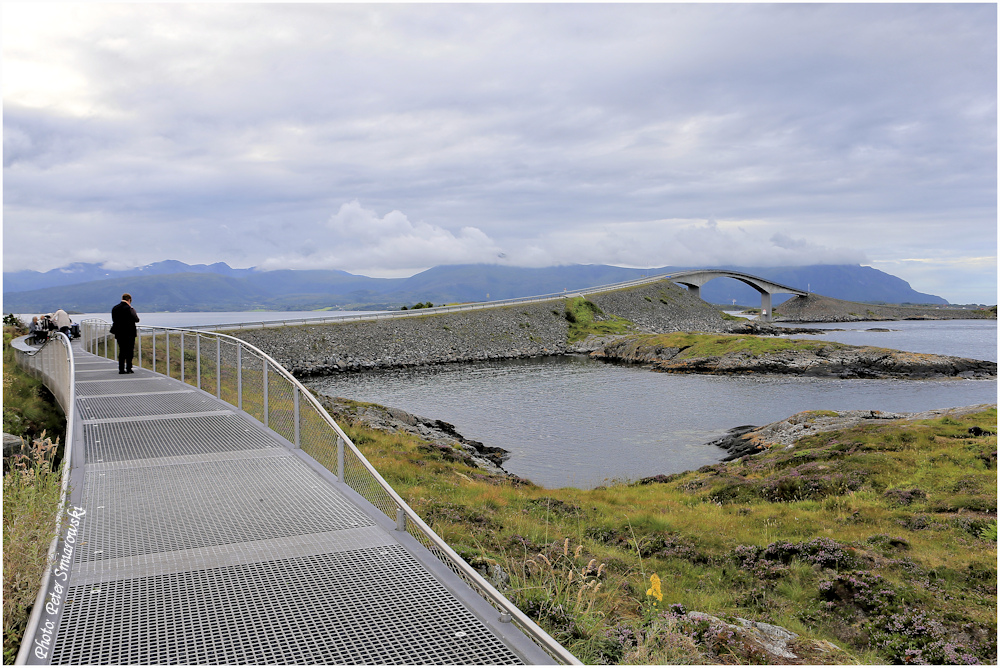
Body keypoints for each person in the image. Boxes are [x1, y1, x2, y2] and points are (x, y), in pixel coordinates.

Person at [110, 293, 140, 374]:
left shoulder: (115, 308)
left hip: (119, 332)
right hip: (129, 333)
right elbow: (136, 319)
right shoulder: (129, 308)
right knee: (129, 351)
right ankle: (129, 368)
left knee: (122, 351)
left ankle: (121, 369)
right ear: (129, 300)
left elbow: (114, 320)